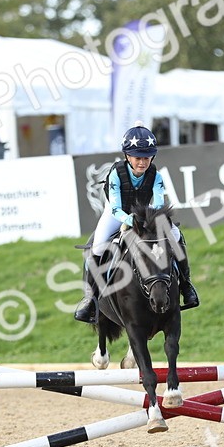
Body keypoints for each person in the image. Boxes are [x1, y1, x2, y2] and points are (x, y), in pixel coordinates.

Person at [73, 122, 200, 323]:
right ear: (127, 156)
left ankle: (186, 285)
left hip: (145, 217)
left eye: (146, 158)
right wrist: (131, 220)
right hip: (116, 215)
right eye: (138, 157)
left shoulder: (156, 176)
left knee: (175, 235)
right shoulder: (116, 174)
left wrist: (150, 220)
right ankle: (90, 300)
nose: (142, 162)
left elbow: (157, 204)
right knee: (96, 248)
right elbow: (115, 208)